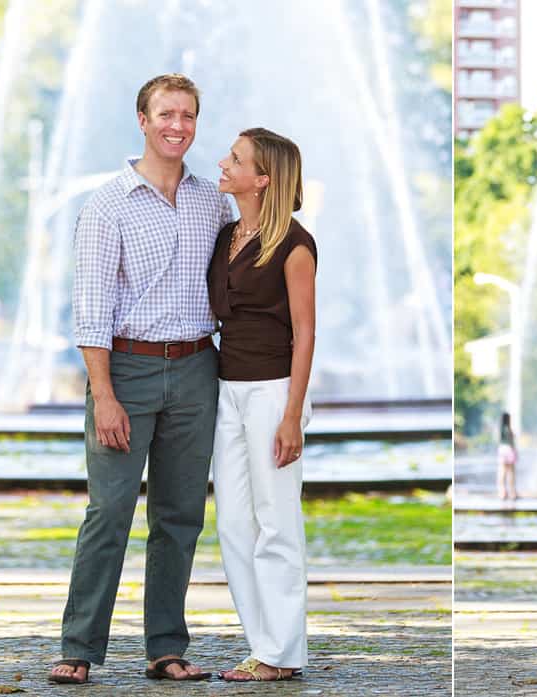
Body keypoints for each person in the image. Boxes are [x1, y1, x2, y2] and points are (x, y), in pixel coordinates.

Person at [49, 74, 232, 684]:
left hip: (197, 366)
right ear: (142, 119)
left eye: (187, 115)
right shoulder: (107, 205)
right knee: (110, 511)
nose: (176, 125)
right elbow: (91, 311)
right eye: (165, 114)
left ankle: (166, 648)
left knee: (180, 517)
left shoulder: (214, 201)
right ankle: (78, 648)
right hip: (124, 370)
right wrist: (104, 395)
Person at [208, 128, 317, 682]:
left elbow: (305, 333)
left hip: (274, 391)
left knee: (276, 522)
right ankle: (262, 644)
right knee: (232, 523)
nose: (222, 163)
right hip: (227, 389)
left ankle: (281, 653)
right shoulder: (227, 232)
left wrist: (292, 415)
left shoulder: (294, 245)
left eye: (235, 158)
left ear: (263, 178)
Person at [497, 412, 518, 500]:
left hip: (502, 449)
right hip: (509, 449)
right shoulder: (508, 429)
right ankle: (512, 493)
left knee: (502, 472)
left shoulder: (500, 429)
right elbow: (511, 441)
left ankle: (502, 493)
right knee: (511, 472)